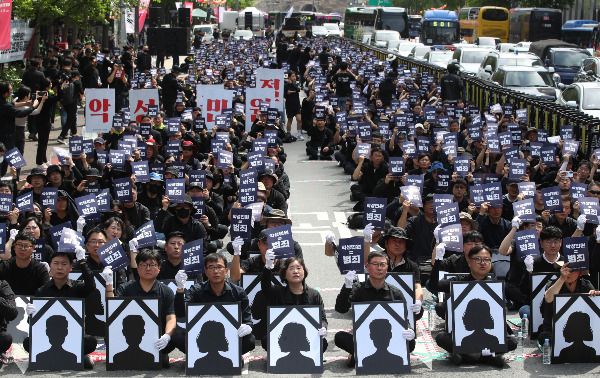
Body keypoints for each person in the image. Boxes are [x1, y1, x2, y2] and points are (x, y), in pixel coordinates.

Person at [435, 245, 517, 367]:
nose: (482, 263)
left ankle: (466, 356)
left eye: (487, 260)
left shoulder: (496, 285)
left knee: (512, 341)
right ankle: (488, 357)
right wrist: (437, 261)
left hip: (488, 336)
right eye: (478, 259)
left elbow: (521, 297)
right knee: (441, 337)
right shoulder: (460, 281)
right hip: (465, 336)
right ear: (469, 262)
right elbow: (434, 286)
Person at [334, 251, 416, 366]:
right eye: (375, 264)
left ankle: (359, 354)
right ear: (367, 267)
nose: (379, 268)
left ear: (387, 267)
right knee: (339, 337)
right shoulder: (358, 288)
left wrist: (410, 330)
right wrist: (347, 287)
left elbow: (404, 318)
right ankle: (365, 353)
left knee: (411, 343)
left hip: (388, 339)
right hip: (364, 337)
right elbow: (340, 309)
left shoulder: (396, 293)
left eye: (382, 265)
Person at [105, 249, 182, 367]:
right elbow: (112, 310)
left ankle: (160, 354)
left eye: (152, 265)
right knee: (108, 336)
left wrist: (166, 336)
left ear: (159, 268)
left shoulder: (166, 291)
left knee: (175, 337)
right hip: (130, 334)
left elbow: (171, 318)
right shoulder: (126, 288)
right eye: (144, 265)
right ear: (137, 266)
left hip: (157, 338)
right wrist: (109, 284)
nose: (148, 268)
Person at [25, 249, 98, 368]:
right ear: (50, 266)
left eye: (64, 264)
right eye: (56, 263)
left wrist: (83, 263)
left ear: (70, 267)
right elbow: (33, 324)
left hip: (72, 335)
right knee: (27, 342)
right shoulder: (42, 291)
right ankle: (73, 357)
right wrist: (30, 314)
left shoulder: (77, 287)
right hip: (48, 336)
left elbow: (91, 286)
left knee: (91, 341)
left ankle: (79, 355)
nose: (59, 268)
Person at [173, 253, 256, 357]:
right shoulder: (196, 290)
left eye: (219, 267)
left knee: (250, 340)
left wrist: (248, 326)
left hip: (228, 336)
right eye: (211, 268)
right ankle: (196, 356)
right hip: (202, 335)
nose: (216, 271)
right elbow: (181, 313)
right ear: (206, 272)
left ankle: (233, 357)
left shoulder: (238, 292)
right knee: (177, 336)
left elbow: (247, 319)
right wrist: (180, 288)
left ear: (226, 271)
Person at [259, 255, 327, 351]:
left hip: (305, 336)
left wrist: (323, 328)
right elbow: (265, 287)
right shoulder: (277, 292)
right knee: (266, 340)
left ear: (304, 272)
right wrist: (268, 267)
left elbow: (322, 318)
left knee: (323, 343)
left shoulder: (314, 294)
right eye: (291, 269)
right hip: (284, 337)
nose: (296, 271)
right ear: (284, 275)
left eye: (299, 268)